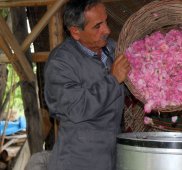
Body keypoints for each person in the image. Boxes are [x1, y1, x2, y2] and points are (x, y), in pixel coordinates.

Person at [44, 0, 130, 169]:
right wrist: (113, 80)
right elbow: (77, 108)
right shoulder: (60, 63)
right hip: (78, 161)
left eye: (106, 21)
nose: (107, 30)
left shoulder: (112, 50)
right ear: (76, 32)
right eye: (98, 26)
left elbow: (124, 91)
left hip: (110, 158)